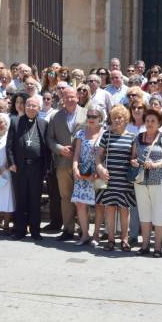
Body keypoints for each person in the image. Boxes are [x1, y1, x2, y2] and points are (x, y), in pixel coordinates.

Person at [131, 107, 162, 257]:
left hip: (159, 180)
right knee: (144, 214)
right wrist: (135, 162)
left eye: (153, 121)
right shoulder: (138, 137)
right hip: (141, 181)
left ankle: (157, 247)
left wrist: (157, 164)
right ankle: (144, 245)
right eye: (148, 120)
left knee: (159, 214)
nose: (149, 123)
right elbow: (133, 158)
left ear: (159, 123)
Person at [7, 97, 50, 240]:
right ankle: (20, 230)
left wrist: (46, 168)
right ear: (25, 107)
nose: (31, 108)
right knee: (21, 199)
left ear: (39, 109)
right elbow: (9, 145)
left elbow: (46, 148)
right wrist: (11, 162)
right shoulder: (15, 122)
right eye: (29, 105)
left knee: (35, 199)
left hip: (37, 167)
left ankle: (35, 230)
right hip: (19, 166)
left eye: (34, 106)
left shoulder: (44, 124)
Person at [46, 87, 86, 241]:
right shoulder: (55, 116)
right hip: (62, 163)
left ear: (78, 97)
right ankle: (68, 229)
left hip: (82, 163)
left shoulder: (87, 113)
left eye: (72, 97)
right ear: (62, 98)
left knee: (82, 197)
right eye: (66, 97)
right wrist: (59, 149)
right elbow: (49, 139)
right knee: (65, 197)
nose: (69, 99)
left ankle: (83, 230)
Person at [94, 105, 136, 251]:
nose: (117, 120)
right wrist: (100, 168)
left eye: (120, 118)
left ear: (126, 119)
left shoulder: (132, 137)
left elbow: (133, 158)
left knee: (125, 210)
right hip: (108, 178)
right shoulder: (107, 135)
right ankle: (111, 239)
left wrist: (135, 163)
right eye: (114, 118)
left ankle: (124, 239)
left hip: (125, 179)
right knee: (110, 209)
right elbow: (98, 156)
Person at [70, 105, 103, 246]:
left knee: (99, 205)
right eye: (89, 116)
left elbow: (105, 156)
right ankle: (84, 235)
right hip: (83, 174)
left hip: (98, 174)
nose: (91, 119)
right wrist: (75, 167)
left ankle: (96, 235)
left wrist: (97, 172)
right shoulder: (81, 134)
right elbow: (76, 154)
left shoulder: (105, 134)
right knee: (81, 205)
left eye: (94, 116)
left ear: (100, 118)